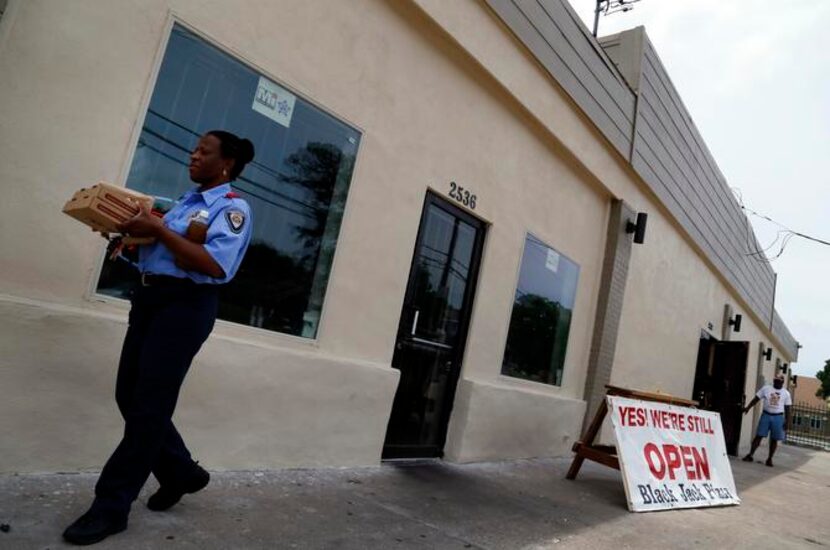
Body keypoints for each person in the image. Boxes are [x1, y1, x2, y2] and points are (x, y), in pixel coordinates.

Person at [63, 130, 255, 545]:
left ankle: (111, 506)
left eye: (204, 152)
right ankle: (181, 472)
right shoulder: (184, 204)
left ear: (226, 164)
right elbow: (161, 252)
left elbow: (214, 265)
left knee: (149, 405)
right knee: (129, 395)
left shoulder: (232, 208)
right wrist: (127, 240)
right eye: (194, 149)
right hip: (150, 299)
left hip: (186, 307)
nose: (193, 155)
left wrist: (159, 230)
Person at [742, 372, 792, 467]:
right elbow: (756, 398)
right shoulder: (766, 389)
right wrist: (748, 407)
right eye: (776, 381)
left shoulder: (786, 394)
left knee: (774, 439)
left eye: (779, 381)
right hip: (766, 415)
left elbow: (788, 409)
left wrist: (787, 421)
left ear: (782, 382)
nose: (777, 383)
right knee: (759, 435)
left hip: (778, 417)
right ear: (773, 381)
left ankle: (769, 459)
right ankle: (750, 454)